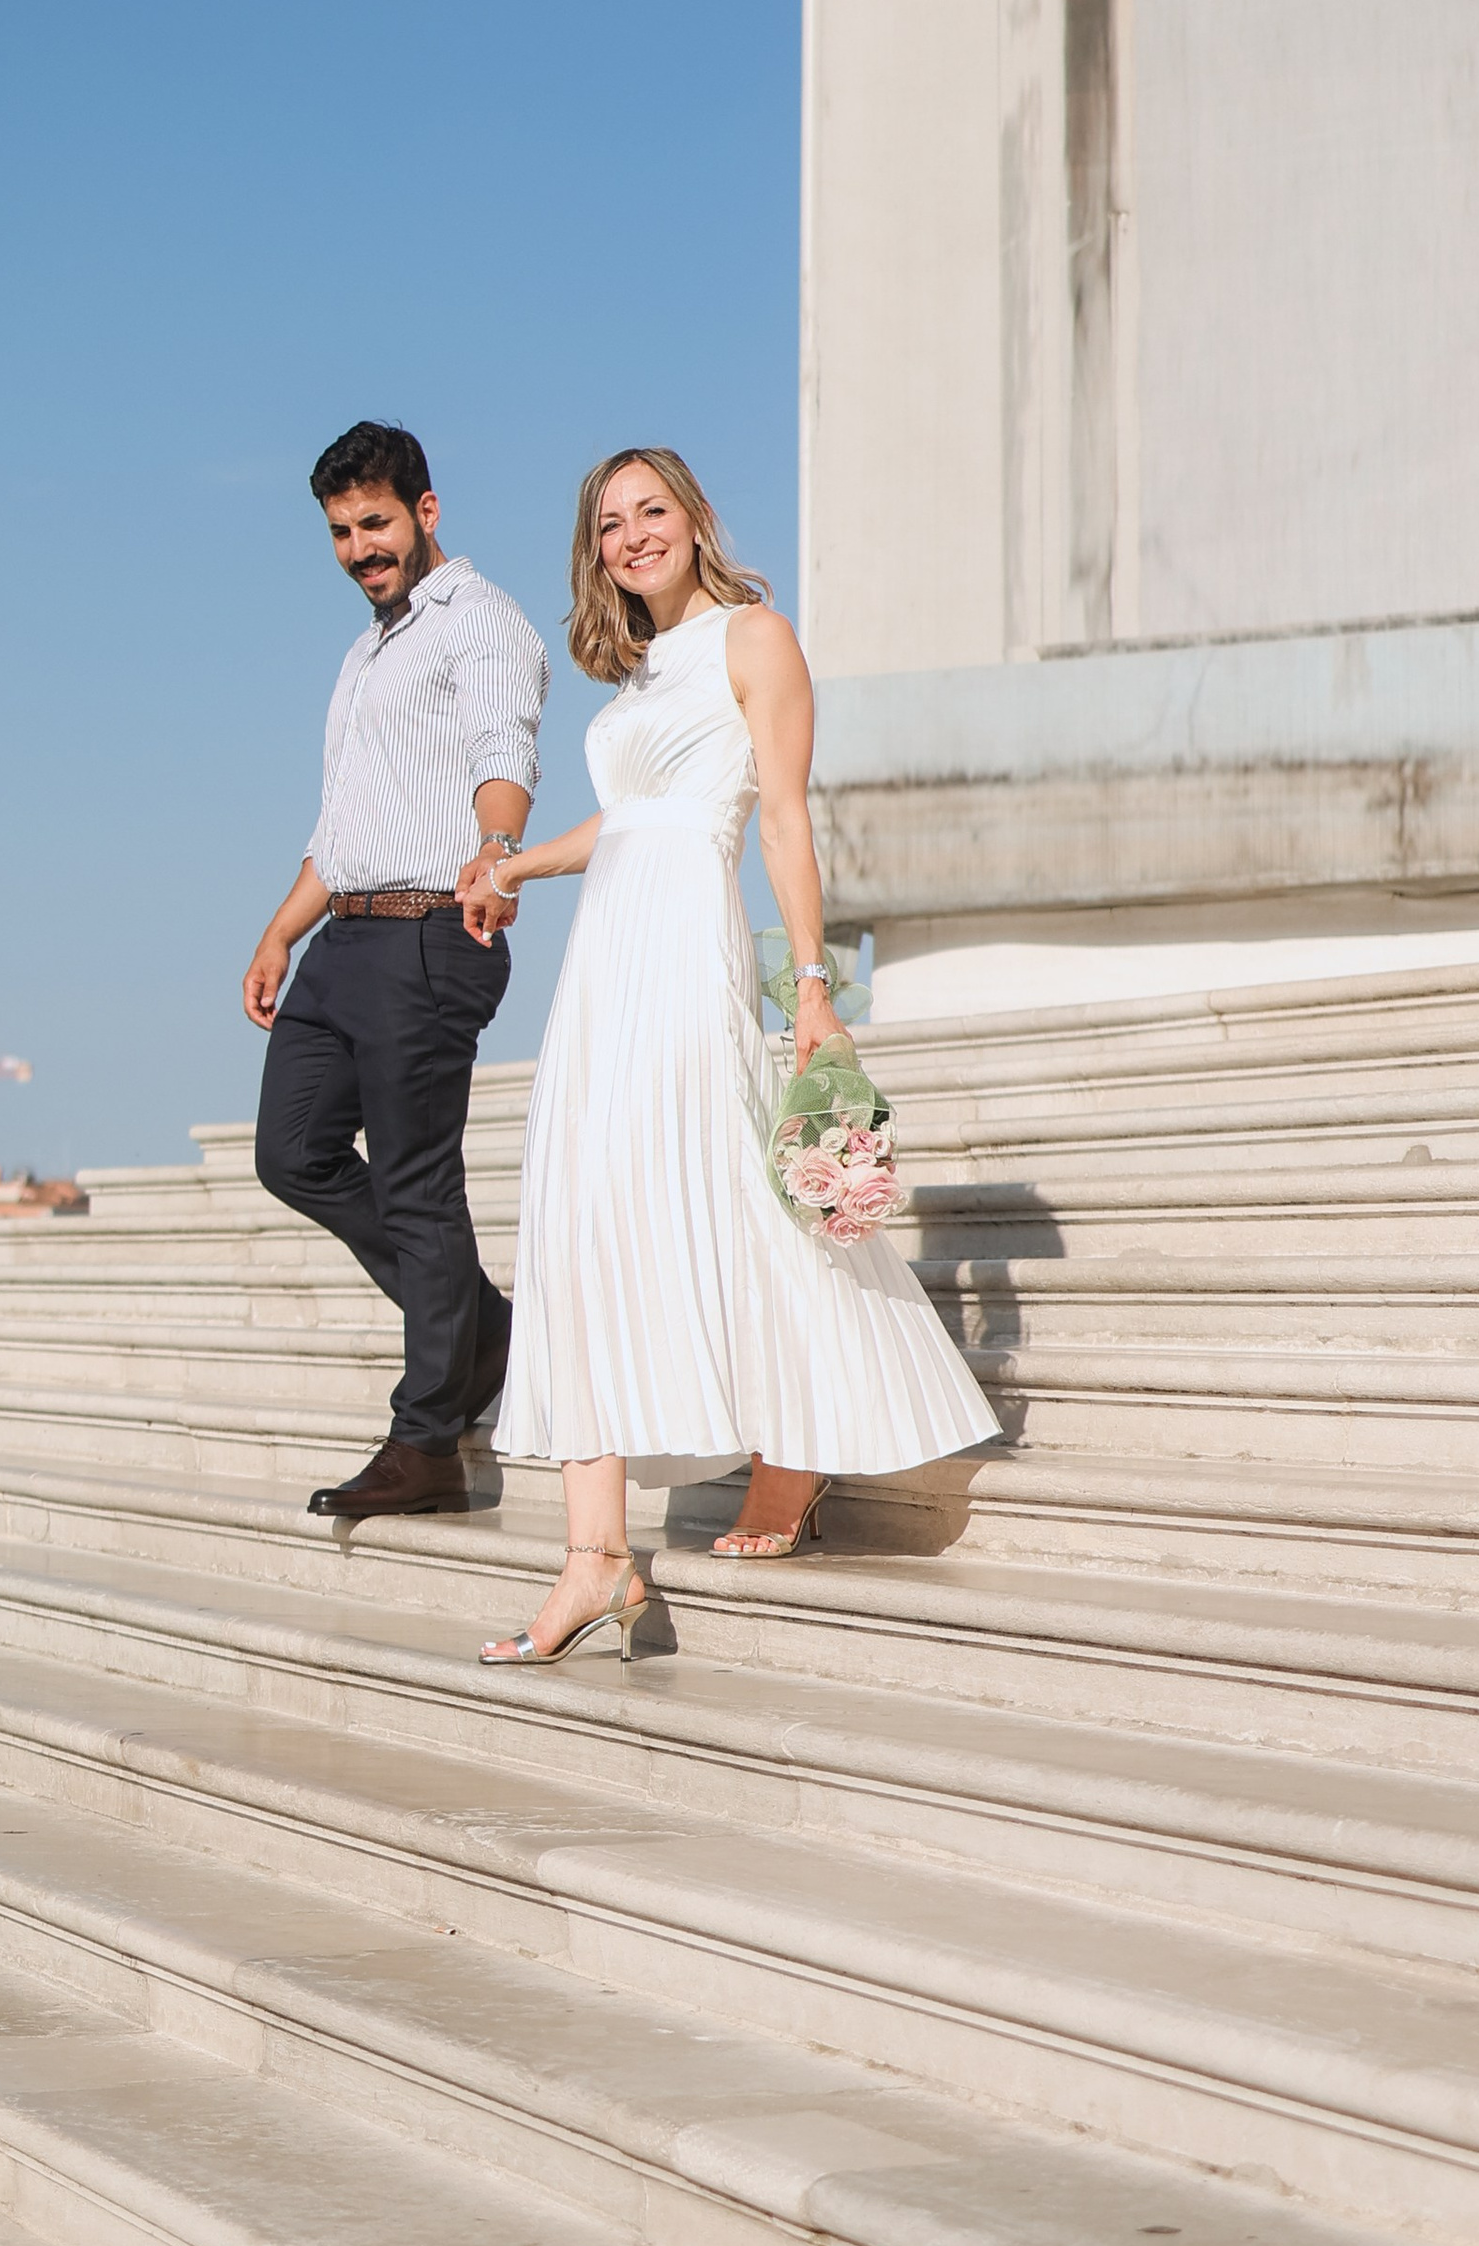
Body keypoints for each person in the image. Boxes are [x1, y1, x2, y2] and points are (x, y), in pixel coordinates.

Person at [462, 446, 997, 1666]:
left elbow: (781, 812)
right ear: (594, 553)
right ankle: (595, 1558)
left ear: (697, 520)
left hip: (686, 956)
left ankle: (798, 1444)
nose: (633, 535)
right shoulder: (642, 670)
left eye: (653, 511)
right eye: (610, 524)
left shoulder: (755, 638)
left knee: (718, 1200)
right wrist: (517, 868)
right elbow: (631, 818)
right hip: (601, 966)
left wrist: (810, 986)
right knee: (581, 1226)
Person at [247, 420, 550, 1521]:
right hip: (343, 939)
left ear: (425, 512)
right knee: (291, 1155)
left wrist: (496, 850)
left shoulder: (480, 621)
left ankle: (429, 1441)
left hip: (432, 929)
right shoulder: (366, 651)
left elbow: (500, 752)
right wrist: (282, 931)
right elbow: (343, 827)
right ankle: (482, 1329)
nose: (359, 547)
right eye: (339, 531)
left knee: (419, 1186)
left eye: (375, 523)